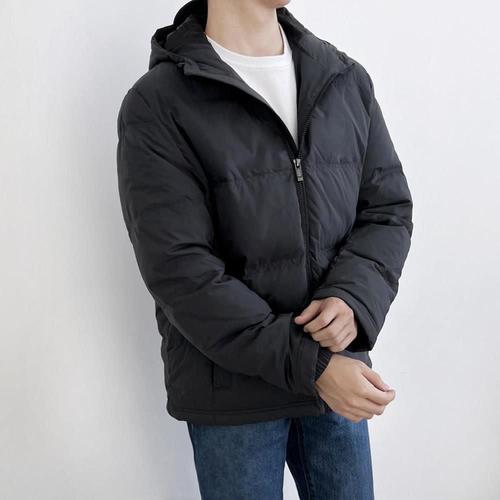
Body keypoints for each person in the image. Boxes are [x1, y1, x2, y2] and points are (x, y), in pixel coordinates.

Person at [116, 0, 413, 497]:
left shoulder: (343, 78)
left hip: (338, 376)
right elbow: (180, 269)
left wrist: (352, 298)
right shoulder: (159, 102)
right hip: (235, 393)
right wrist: (313, 366)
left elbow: (386, 210)